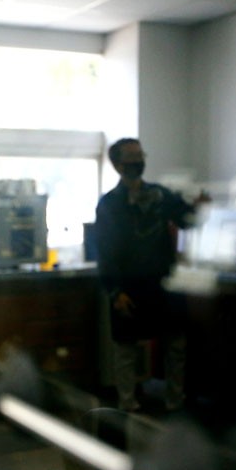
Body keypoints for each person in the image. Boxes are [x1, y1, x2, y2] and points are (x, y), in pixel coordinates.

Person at [95, 138, 204, 413]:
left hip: (163, 281)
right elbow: (105, 252)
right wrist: (114, 291)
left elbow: (186, 220)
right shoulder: (109, 204)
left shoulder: (160, 195)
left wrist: (200, 208)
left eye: (141, 154)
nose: (139, 160)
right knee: (126, 348)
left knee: (176, 344)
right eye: (132, 156)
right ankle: (127, 403)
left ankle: (175, 401)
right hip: (128, 284)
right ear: (118, 165)